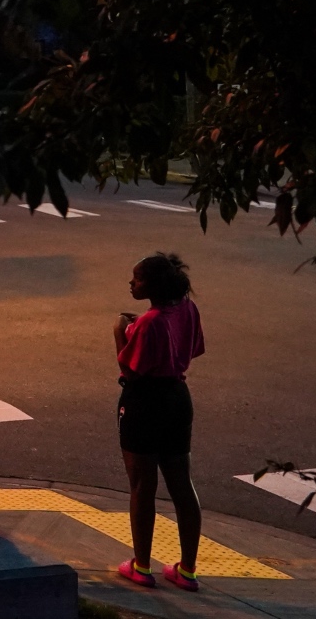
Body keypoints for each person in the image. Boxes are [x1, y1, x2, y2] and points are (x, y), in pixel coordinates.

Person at [113, 250, 206, 592]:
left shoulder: (150, 321)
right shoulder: (187, 309)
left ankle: (141, 566)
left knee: (142, 486)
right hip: (178, 400)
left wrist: (121, 331)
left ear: (151, 285)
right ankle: (188, 569)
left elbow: (130, 368)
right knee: (182, 485)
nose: (131, 283)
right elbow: (192, 349)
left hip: (144, 402)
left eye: (136, 279)